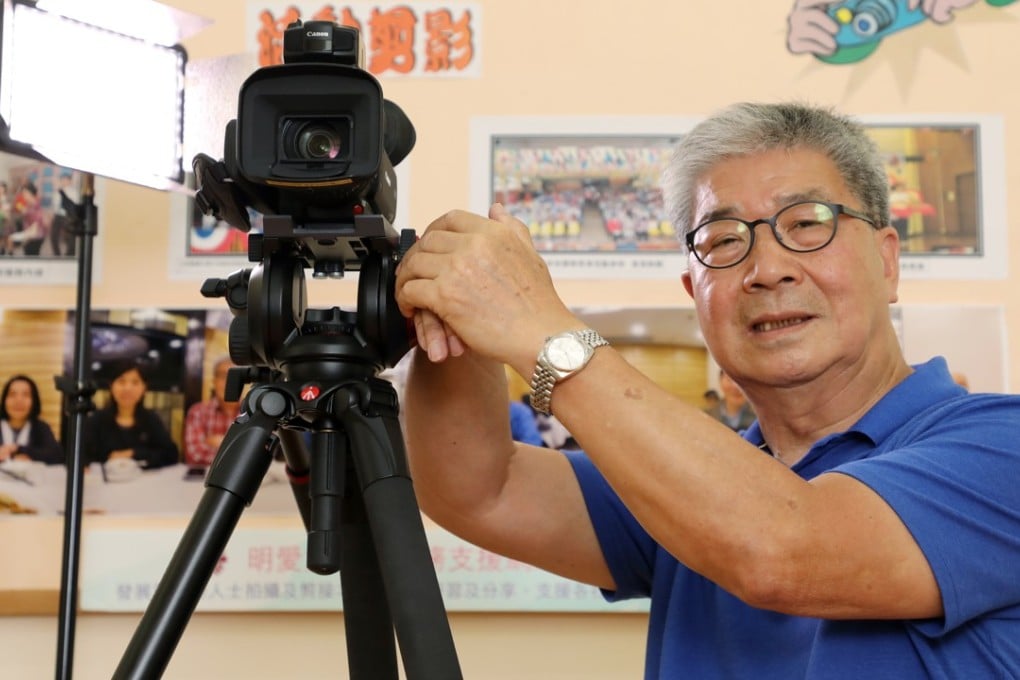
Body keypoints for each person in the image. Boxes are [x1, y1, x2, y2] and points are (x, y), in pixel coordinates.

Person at [393, 102, 1020, 677]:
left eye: (807, 224)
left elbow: (785, 548)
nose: (768, 269)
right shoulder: (697, 480)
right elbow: (481, 487)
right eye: (724, 241)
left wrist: (541, 330)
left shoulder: (1001, 446)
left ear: (887, 261)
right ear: (695, 294)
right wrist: (455, 306)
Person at [84, 361, 178, 469]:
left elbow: (171, 455)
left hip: (145, 482)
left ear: (144, 388)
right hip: (106, 483)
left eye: (135, 382)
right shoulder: (96, 420)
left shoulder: (151, 419)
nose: (128, 388)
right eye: (121, 381)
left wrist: (133, 453)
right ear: (111, 386)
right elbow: (82, 456)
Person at [183, 356, 240, 467]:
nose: (228, 382)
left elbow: (263, 453)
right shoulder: (198, 412)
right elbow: (194, 454)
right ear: (214, 381)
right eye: (223, 376)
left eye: (235, 376)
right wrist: (239, 451)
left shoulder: (253, 413)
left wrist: (221, 442)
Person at [0, 375, 64, 465]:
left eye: (26, 395)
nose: (19, 400)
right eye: (12, 394)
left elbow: (57, 456)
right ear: (4, 400)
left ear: (34, 401)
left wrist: (19, 449)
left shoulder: (41, 427)